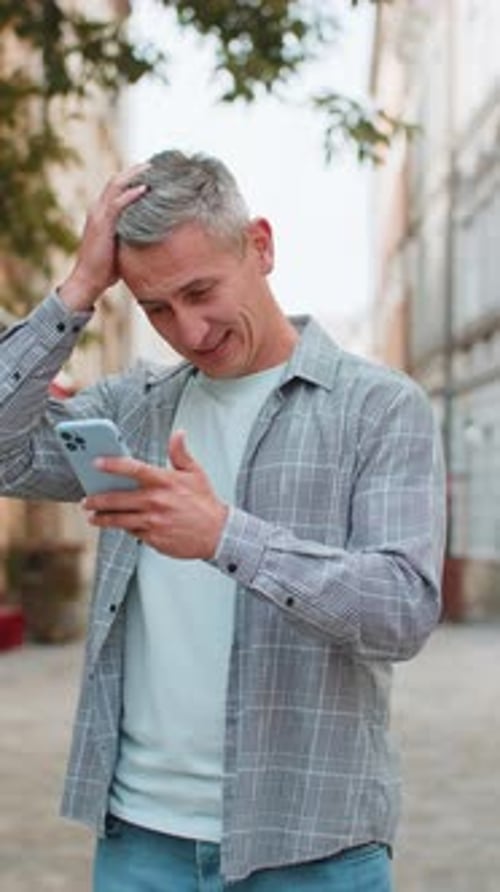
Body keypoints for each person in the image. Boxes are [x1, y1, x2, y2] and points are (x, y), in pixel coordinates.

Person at [0, 150, 446, 891]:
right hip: (141, 844)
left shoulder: (379, 407)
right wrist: (77, 290)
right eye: (157, 309)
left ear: (261, 246)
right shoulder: (133, 406)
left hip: (312, 846)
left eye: (201, 290)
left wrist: (225, 538)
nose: (191, 329)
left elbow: (403, 610)